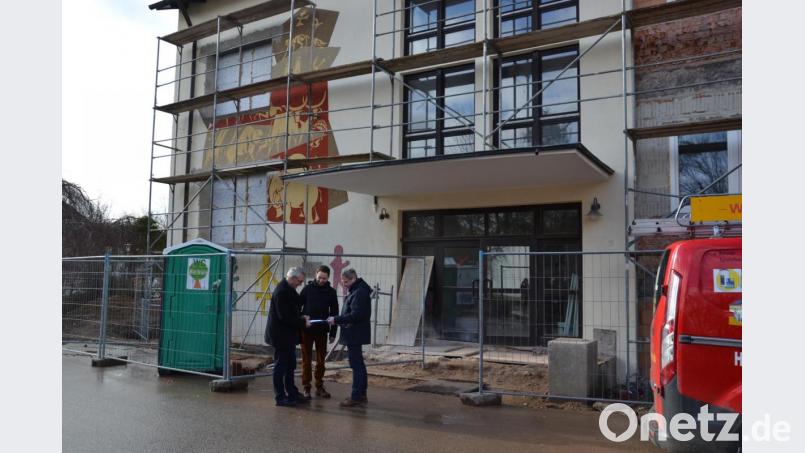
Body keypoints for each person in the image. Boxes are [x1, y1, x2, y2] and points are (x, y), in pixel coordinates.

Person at [265, 267, 311, 407]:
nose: (300, 284)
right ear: (292, 278)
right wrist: (303, 322)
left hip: (288, 335)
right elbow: (284, 316)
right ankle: (280, 397)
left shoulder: (289, 289)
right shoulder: (282, 292)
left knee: (290, 365)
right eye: (300, 281)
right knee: (280, 367)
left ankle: (292, 392)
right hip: (281, 336)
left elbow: (292, 310)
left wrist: (301, 316)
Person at [327, 268, 371, 407]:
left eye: (346, 282)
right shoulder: (358, 290)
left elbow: (357, 315)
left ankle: (356, 396)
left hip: (355, 333)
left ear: (353, 279)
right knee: (359, 365)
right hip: (355, 333)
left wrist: (336, 319)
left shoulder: (359, 292)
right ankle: (361, 394)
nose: (344, 284)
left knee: (356, 366)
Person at [299, 265, 339, 399]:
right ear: (316, 275)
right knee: (306, 360)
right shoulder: (307, 289)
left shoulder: (331, 292)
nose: (322, 280)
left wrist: (333, 333)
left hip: (322, 331)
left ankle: (319, 385)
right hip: (307, 330)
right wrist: (302, 319)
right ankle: (306, 387)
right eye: (320, 277)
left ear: (328, 278)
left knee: (321, 361)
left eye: (325, 278)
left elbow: (334, 313)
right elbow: (297, 308)